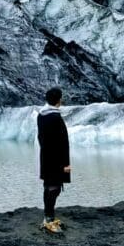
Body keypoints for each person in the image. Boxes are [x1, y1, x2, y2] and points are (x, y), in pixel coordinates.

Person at [37, 87, 71, 233]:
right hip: (57, 158)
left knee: (48, 186)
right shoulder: (55, 117)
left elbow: (41, 137)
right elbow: (62, 142)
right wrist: (65, 164)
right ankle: (49, 219)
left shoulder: (42, 115)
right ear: (58, 100)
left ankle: (48, 216)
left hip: (46, 156)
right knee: (54, 188)